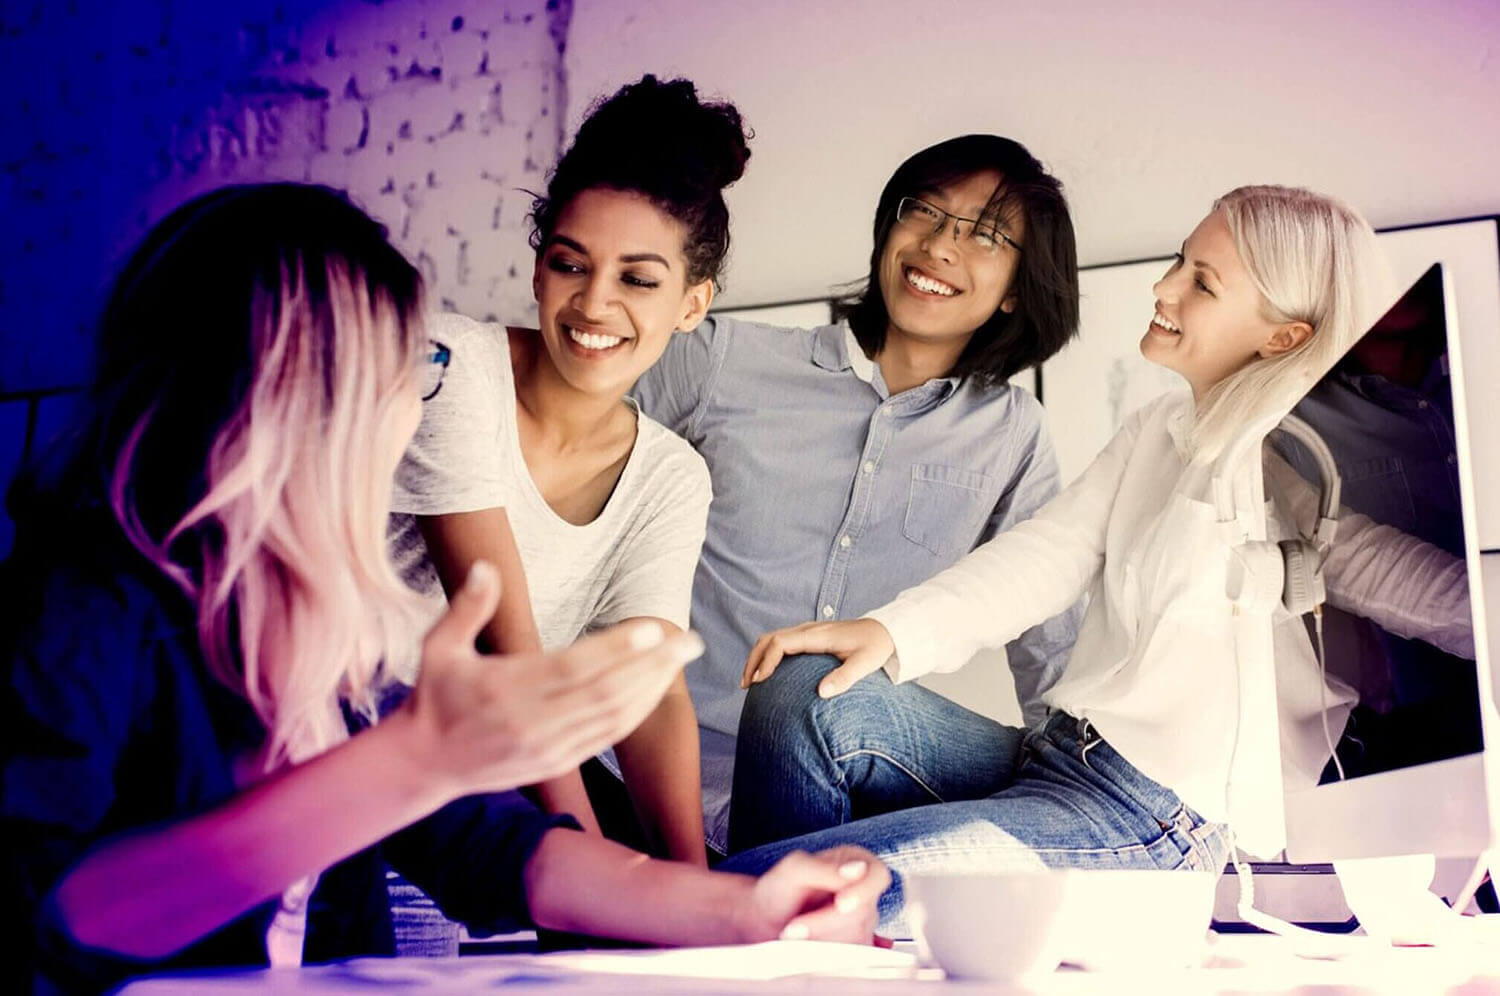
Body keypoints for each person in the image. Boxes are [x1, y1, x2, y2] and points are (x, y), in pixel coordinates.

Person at [0, 183, 887, 994]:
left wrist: (747, 914)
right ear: (305, 398)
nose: (415, 403)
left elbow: (497, 849)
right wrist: (415, 760)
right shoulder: (83, 608)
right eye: (407, 369)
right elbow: (55, 911)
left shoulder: (318, 632)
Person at [726, 185, 1468, 928]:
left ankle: (761, 931)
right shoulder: (1161, 427)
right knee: (806, 689)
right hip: (1059, 755)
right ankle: (797, 960)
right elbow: (1050, 551)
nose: (1165, 286)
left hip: (1153, 824)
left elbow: (1446, 604)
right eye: (1182, 260)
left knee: (782, 893)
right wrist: (891, 632)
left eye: (1201, 283)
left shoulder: (1305, 482)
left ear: (1280, 339)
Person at [632, 134, 1084, 854]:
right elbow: (568, 437)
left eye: (986, 237)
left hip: (849, 783)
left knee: (1054, 770)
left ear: (1017, 292)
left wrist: (1091, 788)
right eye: (925, 213)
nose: (940, 247)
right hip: (664, 769)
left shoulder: (1012, 433)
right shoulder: (723, 361)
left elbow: (1050, 631)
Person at [386, 75, 743, 865]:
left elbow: (651, 691)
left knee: (702, 878)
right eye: (570, 264)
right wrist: (597, 873)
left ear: (692, 303)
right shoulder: (451, 367)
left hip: (495, 750)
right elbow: (503, 651)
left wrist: (687, 883)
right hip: (361, 733)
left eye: (639, 280)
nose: (593, 304)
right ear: (540, 271)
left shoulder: (671, 477)